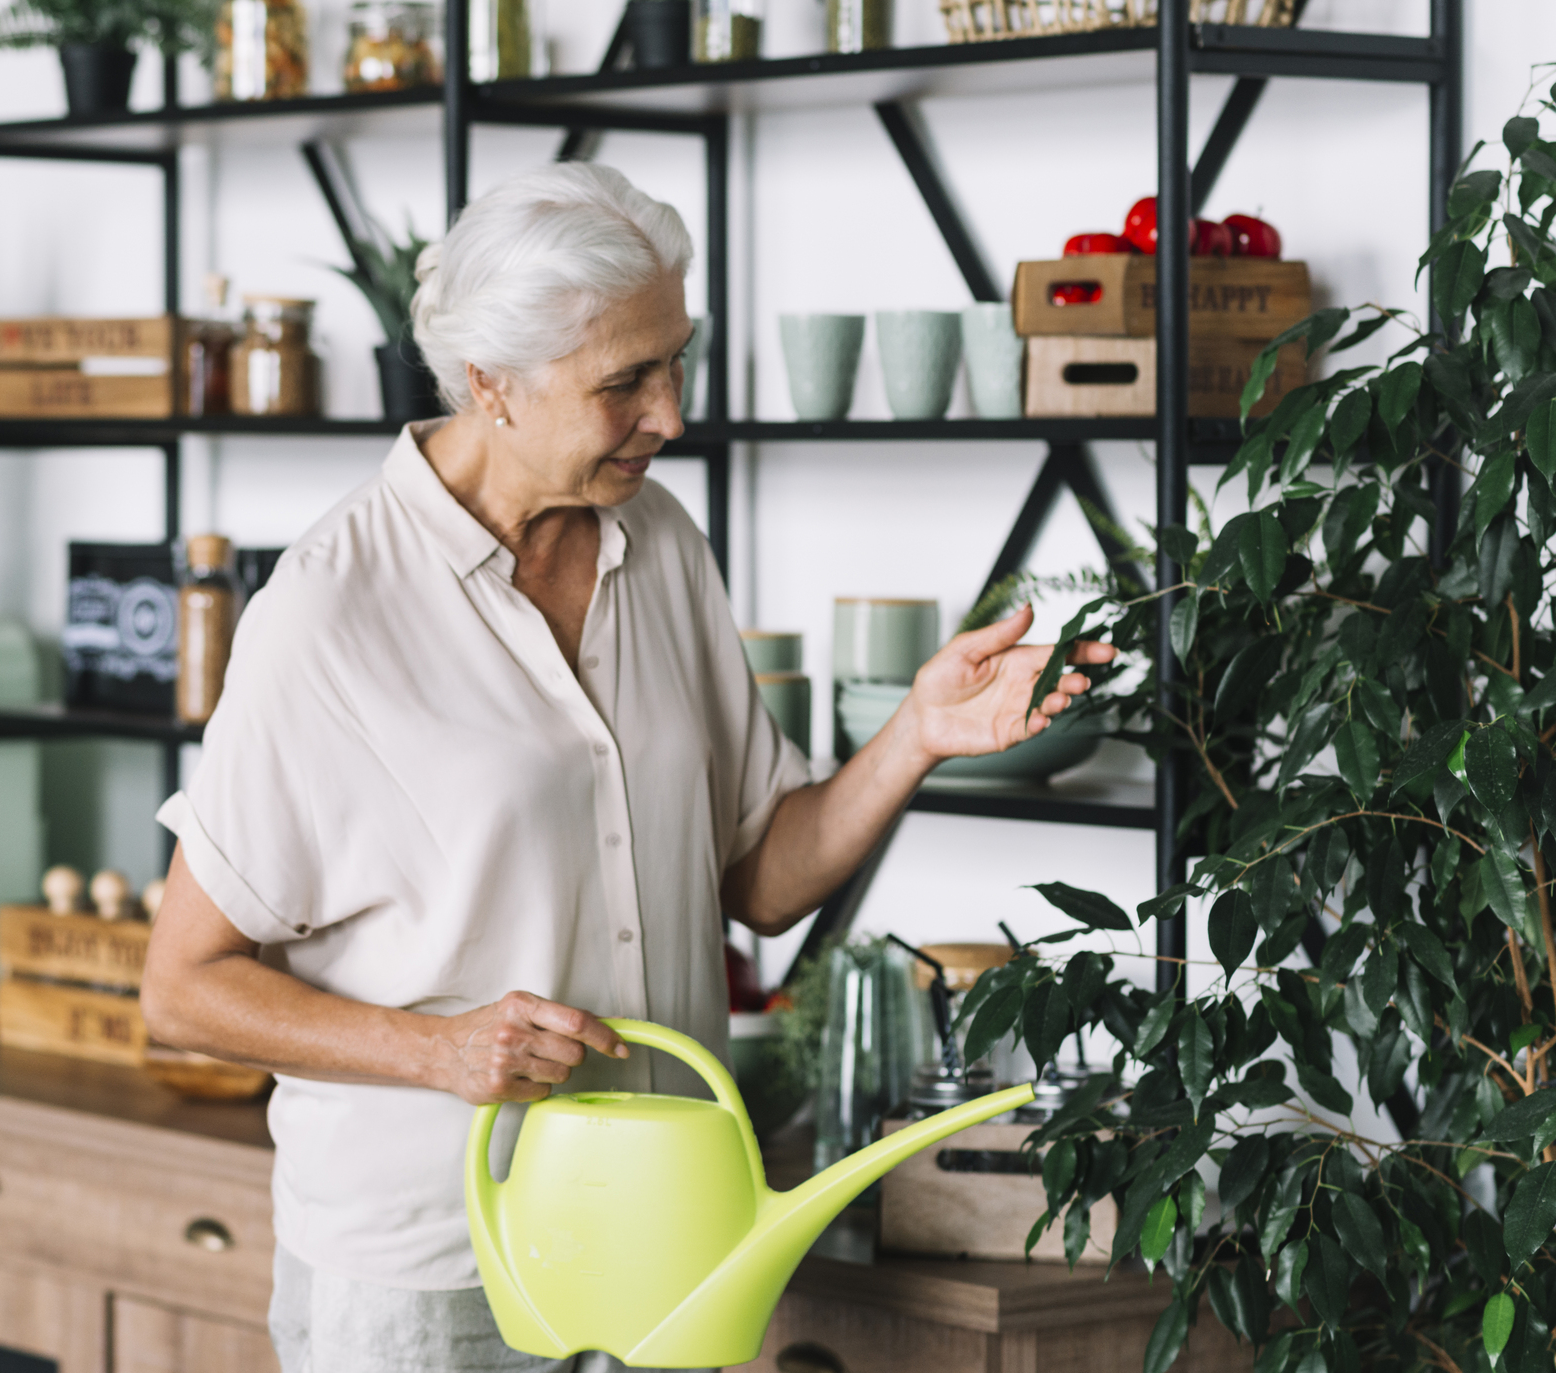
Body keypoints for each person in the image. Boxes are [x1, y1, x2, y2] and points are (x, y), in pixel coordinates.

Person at [140, 162, 1114, 1373]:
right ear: (491, 383)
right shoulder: (333, 609)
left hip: (665, 1246)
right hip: (439, 1268)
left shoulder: (660, 543)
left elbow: (757, 876)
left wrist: (915, 733)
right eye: (625, 381)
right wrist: (438, 1049)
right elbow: (183, 985)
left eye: (676, 360)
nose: (669, 412)